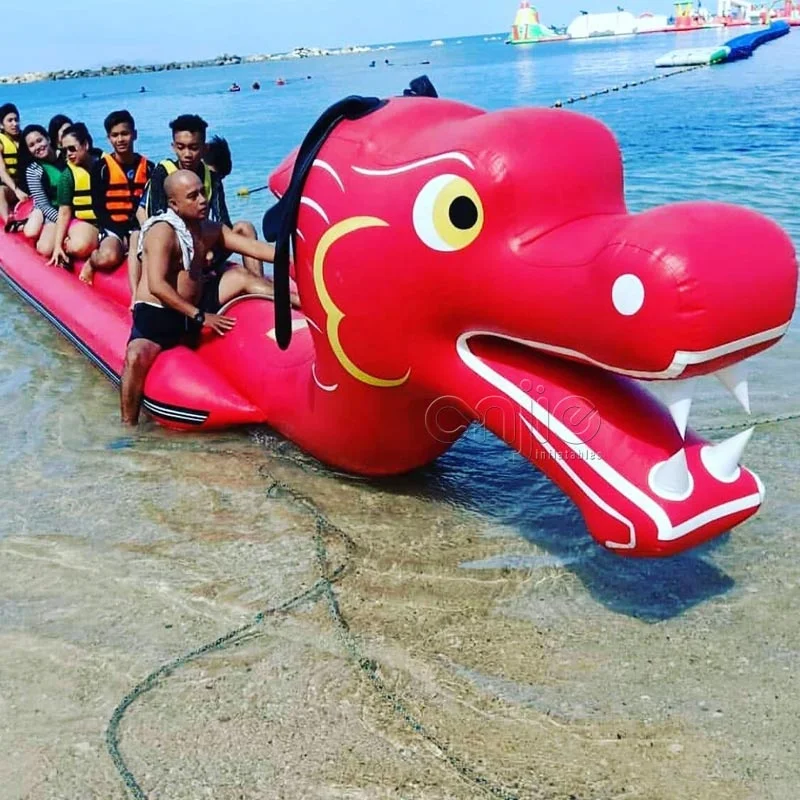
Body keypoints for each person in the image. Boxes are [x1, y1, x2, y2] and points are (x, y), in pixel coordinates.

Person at [120, 169, 284, 425]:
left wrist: (296, 256)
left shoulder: (209, 229)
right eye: (193, 196)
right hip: (160, 314)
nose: (203, 200)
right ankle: (128, 425)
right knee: (135, 356)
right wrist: (200, 316)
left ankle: (296, 303)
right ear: (174, 204)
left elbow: (254, 248)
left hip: (196, 303)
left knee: (242, 277)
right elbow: (157, 285)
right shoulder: (162, 232)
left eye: (203, 192)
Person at [85, 109, 154, 285]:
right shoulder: (101, 168)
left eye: (125, 133)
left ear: (134, 134)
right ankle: (91, 261)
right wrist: (120, 233)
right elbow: (98, 208)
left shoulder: (149, 168)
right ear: (109, 138)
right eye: (115, 135)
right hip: (112, 227)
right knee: (108, 257)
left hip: (140, 228)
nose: (120, 139)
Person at [48, 123, 101, 272]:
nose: (68, 154)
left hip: (108, 224)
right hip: (83, 222)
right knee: (80, 246)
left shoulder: (106, 166)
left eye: (72, 148)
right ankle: (67, 243)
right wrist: (58, 246)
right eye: (64, 150)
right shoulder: (67, 177)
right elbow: (64, 212)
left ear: (86, 145)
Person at [19, 124, 67, 257]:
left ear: (48, 139)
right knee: (44, 248)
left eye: (39, 140)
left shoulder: (67, 156)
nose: (38, 146)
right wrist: (64, 223)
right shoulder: (33, 170)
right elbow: (45, 206)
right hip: (50, 208)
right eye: (32, 145)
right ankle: (30, 222)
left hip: (70, 207)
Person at [0, 103, 28, 221]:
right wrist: (16, 190)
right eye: (10, 120)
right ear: (1, 124)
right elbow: (1, 171)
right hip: (8, 188)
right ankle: (8, 220)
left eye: (16, 120)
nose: (14, 124)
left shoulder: (26, 138)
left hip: (25, 185)